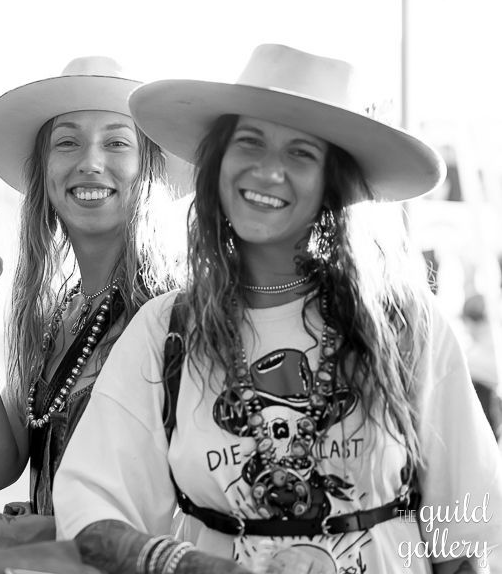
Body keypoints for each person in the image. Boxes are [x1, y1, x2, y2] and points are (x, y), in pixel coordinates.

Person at [54, 44, 502, 574]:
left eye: (300, 153)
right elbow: (89, 514)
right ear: (219, 163)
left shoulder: (401, 322)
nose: (269, 171)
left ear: (332, 183)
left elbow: (463, 536)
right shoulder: (166, 332)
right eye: (250, 142)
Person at [0, 56, 183, 548]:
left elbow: (182, 510)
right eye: (67, 142)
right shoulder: (58, 310)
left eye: (117, 142)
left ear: (150, 167)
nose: (90, 161)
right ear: (44, 172)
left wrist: (33, 532)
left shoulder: (175, 311)